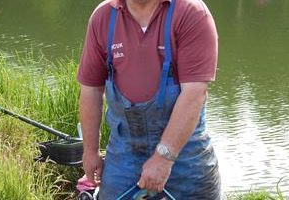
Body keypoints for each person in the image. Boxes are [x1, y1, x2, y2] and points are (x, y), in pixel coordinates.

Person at [77, 0, 220, 199]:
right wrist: (90, 151)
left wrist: (163, 158)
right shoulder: (103, 17)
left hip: (185, 157)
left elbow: (194, 94)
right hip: (123, 154)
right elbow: (91, 90)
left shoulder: (191, 13)